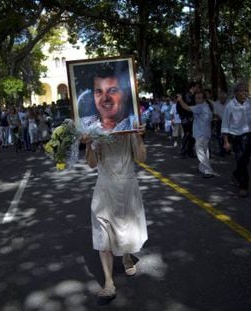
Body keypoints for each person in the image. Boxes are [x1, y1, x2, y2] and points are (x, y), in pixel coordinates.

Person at [82, 126, 147, 300]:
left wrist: (140, 137)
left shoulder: (130, 129)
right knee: (103, 234)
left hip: (127, 186)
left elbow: (141, 158)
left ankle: (126, 257)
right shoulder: (96, 130)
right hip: (104, 187)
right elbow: (91, 164)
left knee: (125, 229)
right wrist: (88, 144)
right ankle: (108, 283)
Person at [221, 81, 251, 197]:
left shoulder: (250, 104)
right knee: (241, 160)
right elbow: (225, 125)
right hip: (235, 137)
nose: (244, 93)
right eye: (241, 91)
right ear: (235, 93)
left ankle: (235, 175)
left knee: (245, 161)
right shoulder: (230, 106)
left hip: (248, 135)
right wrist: (226, 142)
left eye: (246, 91)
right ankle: (243, 186)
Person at [79, 62, 136, 132]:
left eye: (112, 91)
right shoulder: (83, 126)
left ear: (126, 94)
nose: (105, 98)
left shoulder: (134, 125)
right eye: (99, 92)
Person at [178, 91, 215, 178]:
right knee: (205, 151)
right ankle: (202, 168)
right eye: (196, 98)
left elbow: (186, 107)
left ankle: (208, 170)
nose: (197, 100)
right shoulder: (206, 106)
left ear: (203, 99)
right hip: (205, 133)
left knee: (200, 151)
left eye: (199, 98)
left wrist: (180, 100)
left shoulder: (201, 107)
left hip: (201, 133)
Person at [212, 89, 228, 156]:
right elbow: (215, 113)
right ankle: (222, 150)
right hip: (220, 121)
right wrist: (221, 118)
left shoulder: (229, 103)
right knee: (220, 137)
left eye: (223, 98)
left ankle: (227, 149)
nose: (222, 99)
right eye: (221, 98)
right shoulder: (216, 103)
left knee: (228, 136)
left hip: (228, 122)